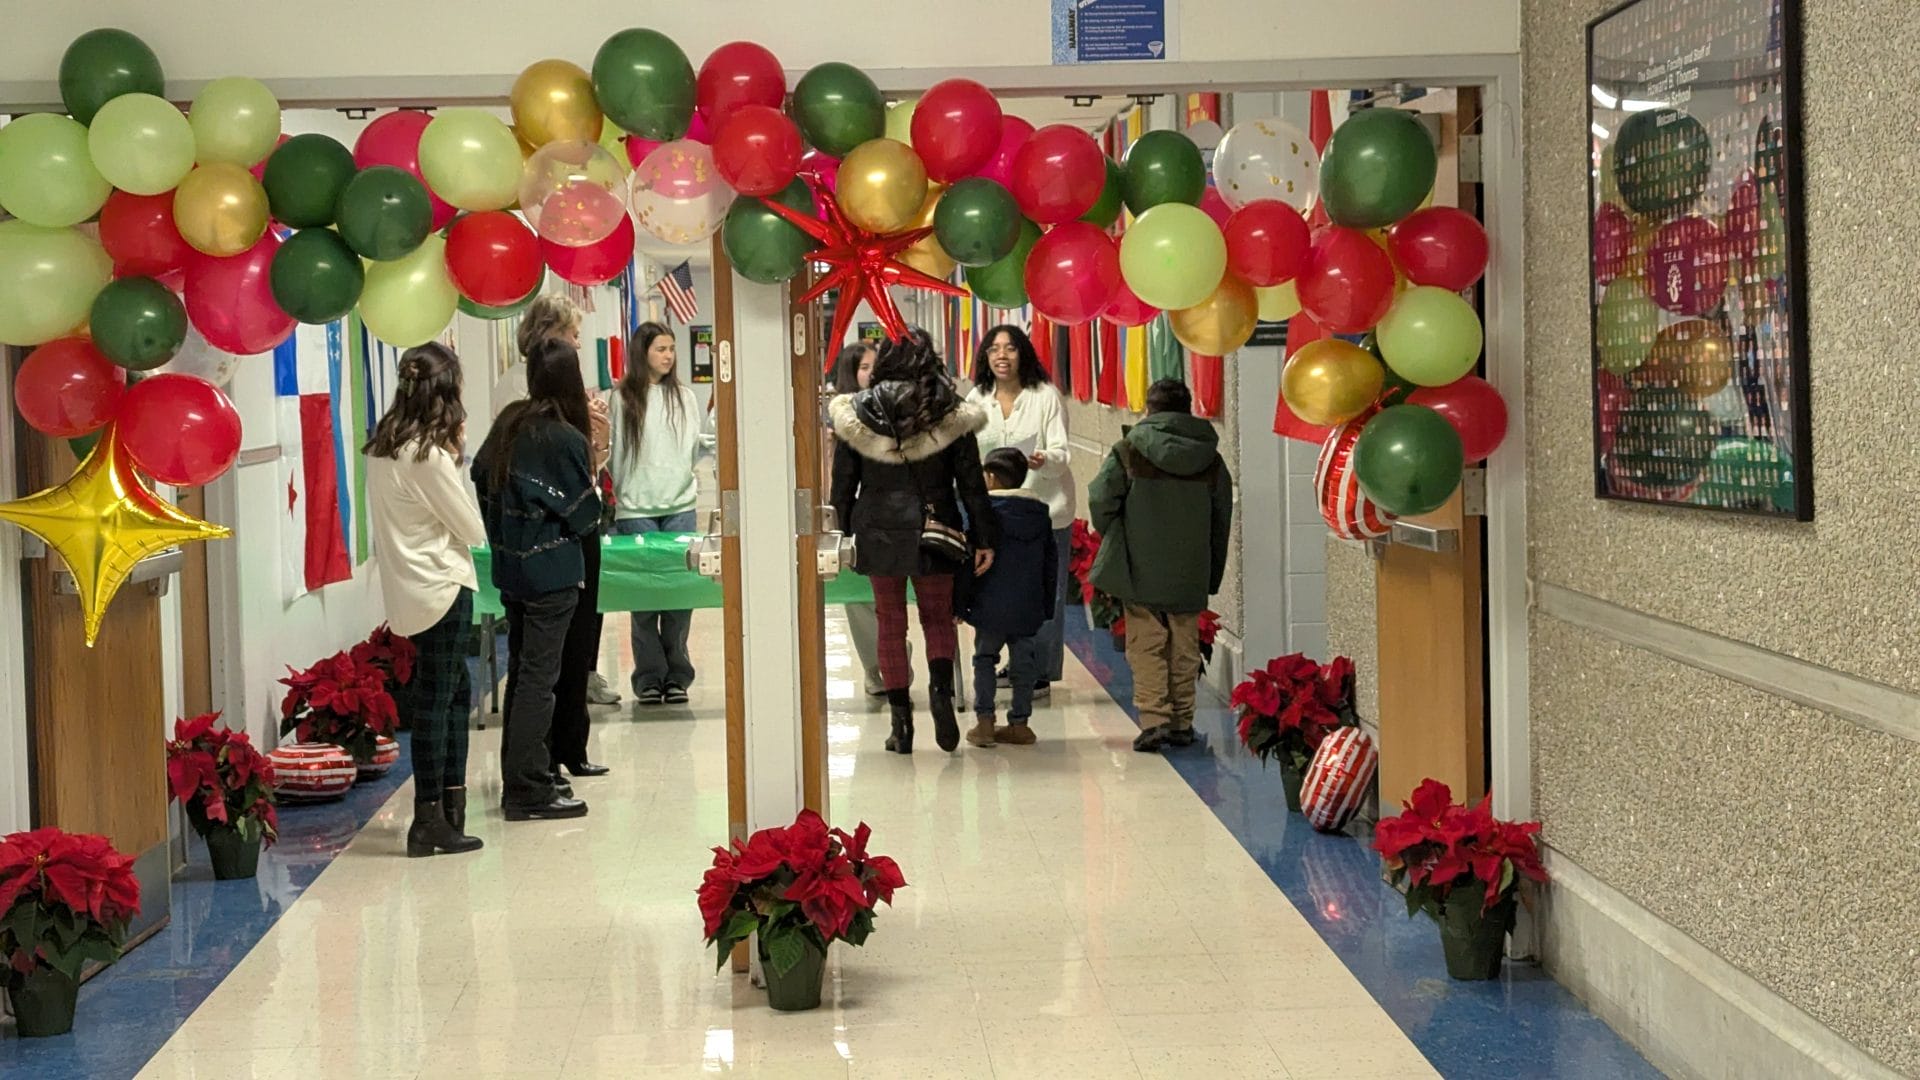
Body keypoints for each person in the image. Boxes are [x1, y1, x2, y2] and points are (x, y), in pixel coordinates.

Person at [830, 328, 998, 754]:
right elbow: (972, 482)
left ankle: (900, 723)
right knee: (937, 618)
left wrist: (841, 531)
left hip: (878, 528)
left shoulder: (858, 410)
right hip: (935, 527)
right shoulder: (948, 408)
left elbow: (843, 481)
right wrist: (983, 536)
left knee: (889, 621)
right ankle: (941, 693)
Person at [364, 343, 487, 857]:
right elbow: (473, 528)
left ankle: (449, 810)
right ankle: (430, 817)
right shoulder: (428, 455)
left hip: (408, 591)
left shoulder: (381, 449)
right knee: (440, 703)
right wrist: (457, 460)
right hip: (442, 586)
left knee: (453, 694)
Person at [472, 337, 600, 820]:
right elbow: (587, 516)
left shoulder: (508, 423)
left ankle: (527, 773)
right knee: (538, 681)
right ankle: (526, 788)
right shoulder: (563, 437)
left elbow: (481, 476)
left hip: (513, 571)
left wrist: (507, 529)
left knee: (524, 672)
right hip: (551, 575)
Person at [1087, 379, 1233, 753]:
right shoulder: (1211, 459)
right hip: (1189, 566)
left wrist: (1117, 534)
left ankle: (1155, 721)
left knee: (1146, 643)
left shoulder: (1128, 451)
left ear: (1149, 410)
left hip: (1139, 562)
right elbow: (1221, 519)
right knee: (1184, 644)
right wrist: (1211, 569)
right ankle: (1183, 721)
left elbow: (1100, 499)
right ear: (1188, 409)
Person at [514, 296, 619, 711]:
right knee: (543, 649)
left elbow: (589, 467)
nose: (578, 343)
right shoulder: (518, 389)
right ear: (548, 333)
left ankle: (578, 704)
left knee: (585, 616)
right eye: (572, 334)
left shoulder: (572, 387)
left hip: (580, 518)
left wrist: (598, 434)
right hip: (544, 531)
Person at [965, 325, 1072, 701]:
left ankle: (1040, 672)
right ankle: (1014, 662)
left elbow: (1062, 450)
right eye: (994, 349)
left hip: (1044, 511)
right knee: (1002, 591)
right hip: (995, 514)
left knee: (1044, 593)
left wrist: (1044, 458)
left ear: (1023, 353)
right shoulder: (976, 398)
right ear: (985, 357)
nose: (1002, 355)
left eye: (1010, 348)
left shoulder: (1045, 396)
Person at [609, 321, 714, 706]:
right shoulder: (621, 399)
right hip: (635, 510)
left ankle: (677, 676)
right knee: (644, 600)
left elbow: (694, 447)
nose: (669, 356)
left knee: (678, 598)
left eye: (672, 349)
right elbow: (612, 453)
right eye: (661, 349)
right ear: (643, 353)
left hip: (680, 508)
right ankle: (649, 677)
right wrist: (625, 493)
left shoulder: (684, 397)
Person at [829, 341, 912, 699]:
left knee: (892, 604)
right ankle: (877, 666)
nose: (871, 373)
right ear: (852, 372)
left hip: (899, 519)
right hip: (858, 517)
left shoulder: (899, 409)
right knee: (858, 599)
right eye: (864, 367)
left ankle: (892, 659)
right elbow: (838, 479)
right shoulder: (842, 412)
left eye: (875, 367)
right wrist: (837, 526)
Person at [962, 448, 1058, 748]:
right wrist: (1045, 605)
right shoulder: (1039, 515)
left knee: (984, 659)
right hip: (1027, 605)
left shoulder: (983, 514)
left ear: (990, 477)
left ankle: (986, 723)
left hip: (989, 604)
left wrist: (961, 601)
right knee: (1024, 663)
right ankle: (1020, 724)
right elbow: (1050, 564)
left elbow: (968, 560)